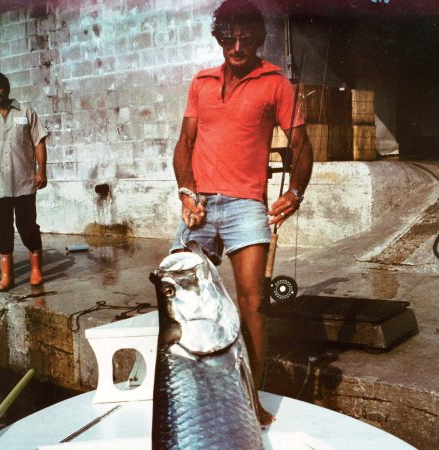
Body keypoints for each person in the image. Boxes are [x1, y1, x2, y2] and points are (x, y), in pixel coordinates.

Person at [171, 0, 313, 425]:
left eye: (246, 38)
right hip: (199, 204)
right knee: (179, 300)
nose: (237, 46)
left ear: (258, 39)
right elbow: (184, 145)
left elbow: (302, 147)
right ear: (219, 37)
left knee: (254, 302)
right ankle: (191, 393)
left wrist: (296, 192)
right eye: (229, 37)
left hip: (247, 206)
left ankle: (251, 396)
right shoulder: (200, 82)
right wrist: (185, 193)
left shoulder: (276, 84)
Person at [0, 70, 48, 291]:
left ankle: (36, 271)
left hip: (24, 182)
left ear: (6, 87)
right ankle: (7, 277)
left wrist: (41, 171)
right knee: (3, 230)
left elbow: (39, 142)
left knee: (27, 227)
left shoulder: (25, 111)